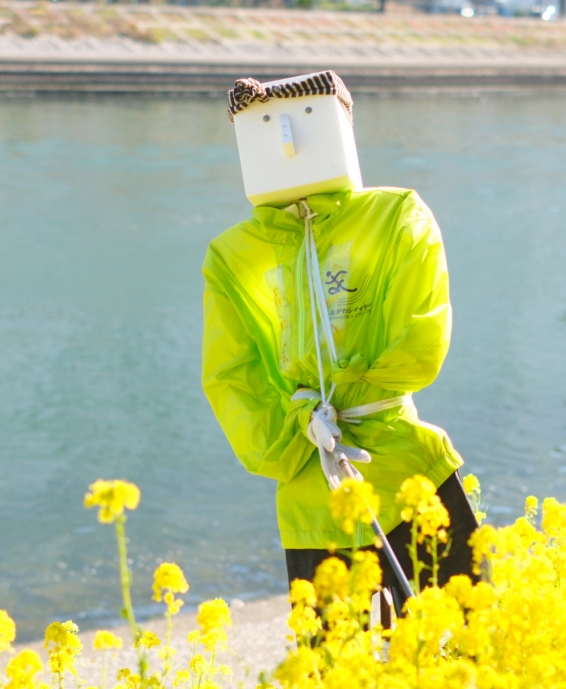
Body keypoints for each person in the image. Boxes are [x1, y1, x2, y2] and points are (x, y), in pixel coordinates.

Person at [201, 70, 478, 611]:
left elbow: (422, 335)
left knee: (470, 632)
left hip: (398, 459)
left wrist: (324, 410)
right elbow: (231, 375)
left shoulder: (395, 216)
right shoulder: (232, 256)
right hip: (312, 481)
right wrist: (294, 438)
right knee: (345, 658)